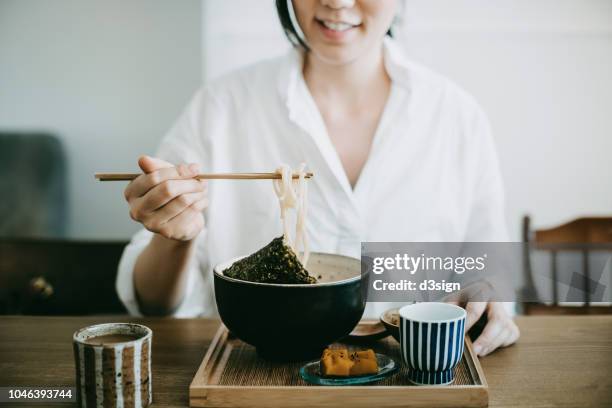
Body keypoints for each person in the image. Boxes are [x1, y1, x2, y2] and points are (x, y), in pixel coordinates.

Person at [117, 0, 519, 357]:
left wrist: (490, 296)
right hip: (258, 377)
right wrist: (175, 237)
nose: (336, 2)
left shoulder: (456, 116)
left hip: (407, 379)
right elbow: (152, 303)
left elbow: (489, 270)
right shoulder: (222, 106)